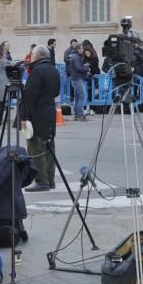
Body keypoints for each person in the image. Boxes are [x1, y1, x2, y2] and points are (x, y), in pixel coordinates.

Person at [22, 45, 60, 192]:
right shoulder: (53, 70)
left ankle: (41, 180)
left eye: (32, 54)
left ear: (37, 56)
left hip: (36, 112)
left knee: (35, 146)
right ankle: (50, 179)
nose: (30, 56)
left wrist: (23, 116)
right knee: (49, 145)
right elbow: (56, 91)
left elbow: (29, 96)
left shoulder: (37, 71)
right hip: (49, 110)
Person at [66, 43, 90, 121]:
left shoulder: (74, 56)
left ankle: (77, 115)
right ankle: (80, 115)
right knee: (82, 97)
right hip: (78, 79)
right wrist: (86, 67)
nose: (83, 50)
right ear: (78, 49)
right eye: (82, 49)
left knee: (77, 98)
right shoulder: (76, 57)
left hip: (75, 79)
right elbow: (78, 68)